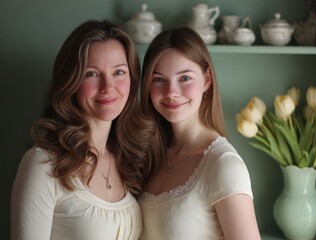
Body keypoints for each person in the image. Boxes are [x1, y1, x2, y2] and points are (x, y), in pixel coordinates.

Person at [11, 19, 151, 240]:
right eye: (92, 74)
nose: (108, 87)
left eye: (119, 72)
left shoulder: (129, 159)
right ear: (71, 81)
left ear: (132, 80)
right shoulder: (43, 164)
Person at [139, 27, 261, 240]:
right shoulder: (151, 156)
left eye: (184, 78)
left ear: (206, 80)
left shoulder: (223, 164)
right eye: (159, 79)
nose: (171, 92)